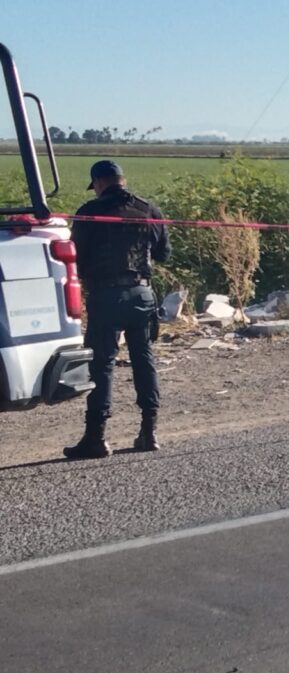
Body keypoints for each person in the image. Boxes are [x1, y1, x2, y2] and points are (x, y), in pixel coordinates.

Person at [63, 160, 171, 459]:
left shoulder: (88, 212)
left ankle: (96, 438)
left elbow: (76, 256)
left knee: (102, 365)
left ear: (99, 182)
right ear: (122, 180)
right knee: (144, 360)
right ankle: (149, 432)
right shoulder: (149, 209)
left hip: (107, 294)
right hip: (143, 293)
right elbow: (164, 253)